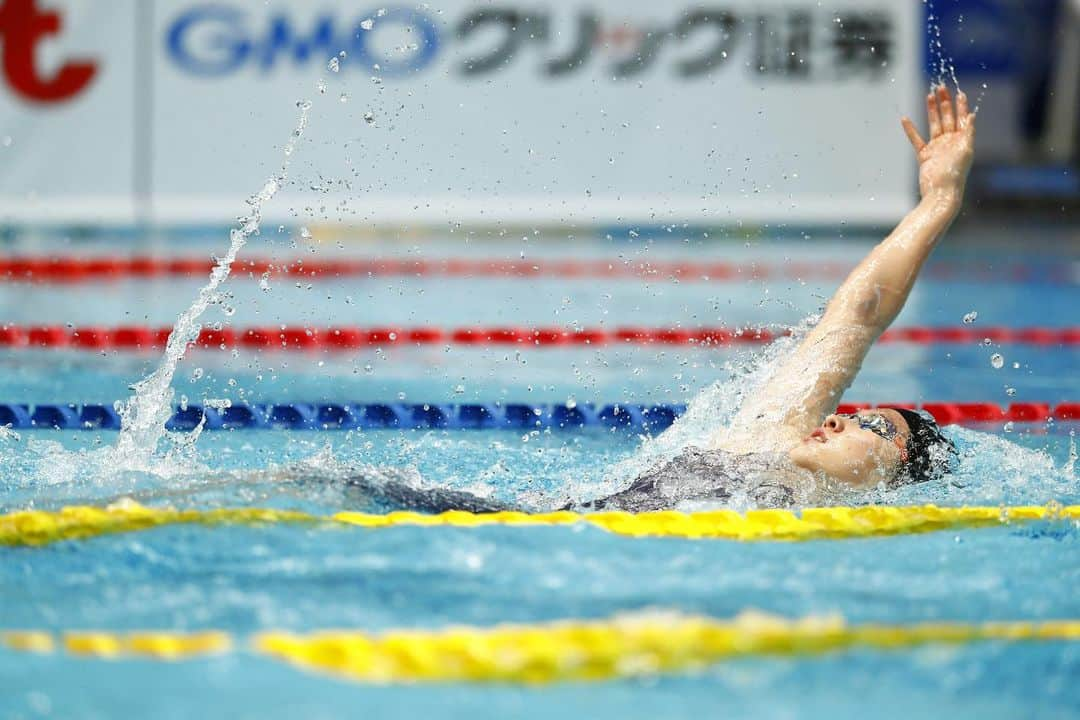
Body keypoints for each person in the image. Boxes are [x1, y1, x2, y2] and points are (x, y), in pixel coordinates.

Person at [582, 85, 973, 512]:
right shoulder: (767, 439)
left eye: (873, 426)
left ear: (895, 478)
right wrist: (940, 200)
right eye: (857, 416)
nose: (836, 419)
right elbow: (858, 315)